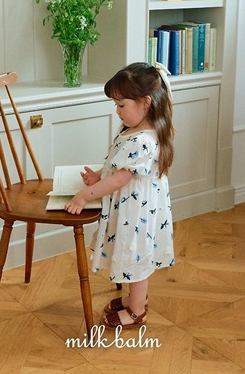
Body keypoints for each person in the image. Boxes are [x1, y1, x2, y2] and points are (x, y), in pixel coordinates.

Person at [65, 62, 175, 330]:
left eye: (121, 105)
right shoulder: (134, 131)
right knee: (132, 255)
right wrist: (98, 175)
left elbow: (119, 179)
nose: (117, 110)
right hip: (134, 209)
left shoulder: (143, 141)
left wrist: (83, 196)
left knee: (134, 257)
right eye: (116, 104)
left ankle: (137, 311)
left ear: (145, 102)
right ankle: (135, 299)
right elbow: (118, 166)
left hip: (135, 214)